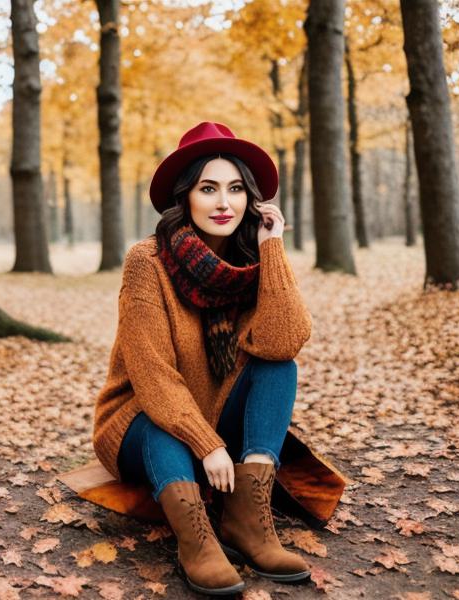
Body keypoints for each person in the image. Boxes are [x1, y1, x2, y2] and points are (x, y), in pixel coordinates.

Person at [92, 122, 313, 595]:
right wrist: (207, 444)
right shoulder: (146, 262)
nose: (223, 203)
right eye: (207, 188)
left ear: (250, 200)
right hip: (139, 419)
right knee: (158, 422)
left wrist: (272, 247)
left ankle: (247, 520)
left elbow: (284, 340)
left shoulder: (254, 261)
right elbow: (153, 376)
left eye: (235, 189)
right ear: (185, 198)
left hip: (215, 410)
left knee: (278, 365)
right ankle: (197, 539)